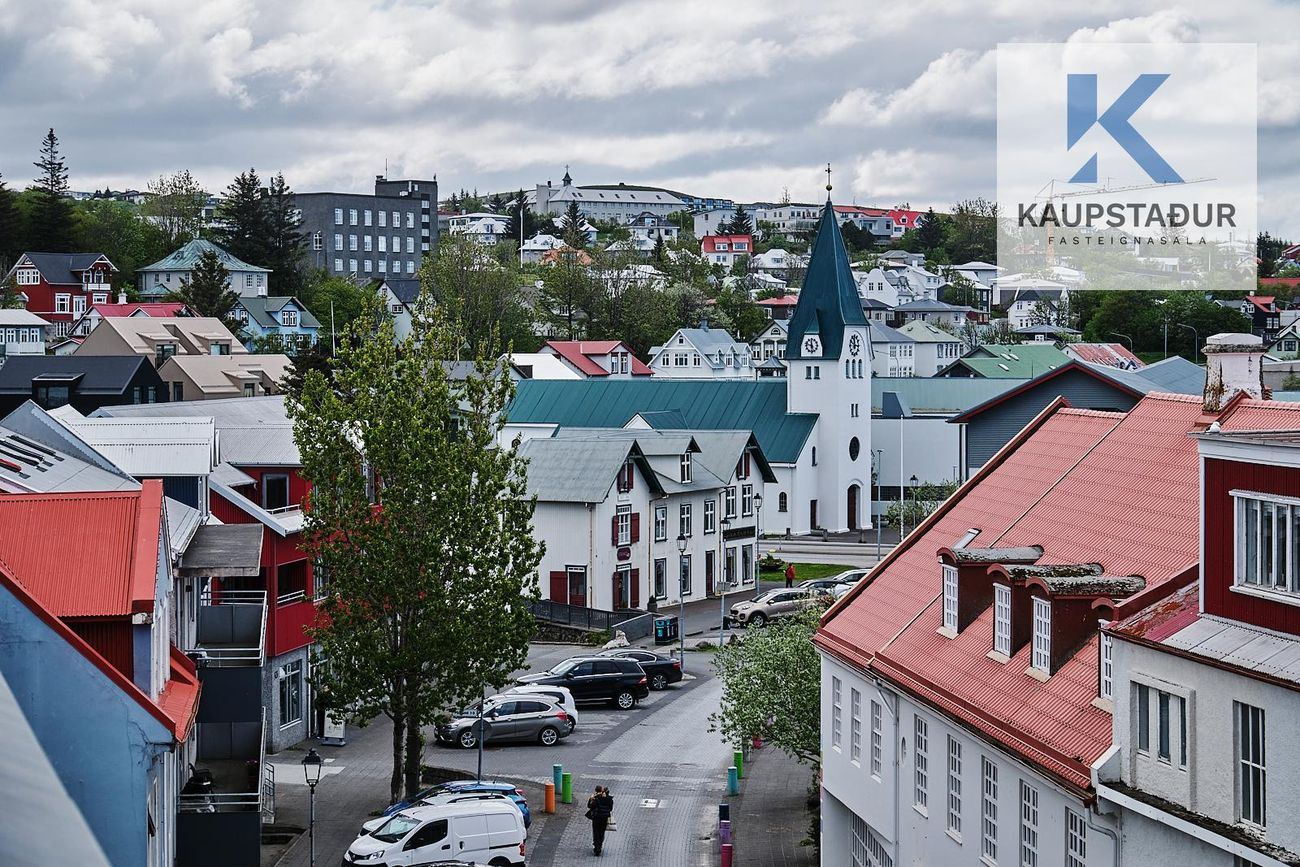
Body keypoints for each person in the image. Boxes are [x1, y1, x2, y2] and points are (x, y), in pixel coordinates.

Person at [586, 784, 614, 855]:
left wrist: (591, 799)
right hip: (604, 817)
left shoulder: (596, 798)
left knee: (596, 831)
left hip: (596, 817)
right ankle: (600, 845)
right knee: (602, 831)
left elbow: (590, 806)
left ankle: (596, 846)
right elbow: (610, 809)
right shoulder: (609, 799)